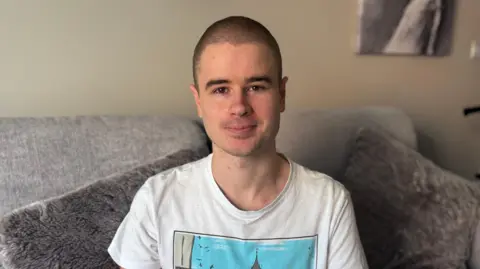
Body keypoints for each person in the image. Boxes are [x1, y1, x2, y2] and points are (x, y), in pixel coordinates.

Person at [107, 15, 368, 269]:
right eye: (221, 90)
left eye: (256, 87)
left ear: (282, 94)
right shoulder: (157, 200)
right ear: (199, 101)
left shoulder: (329, 203)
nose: (240, 107)